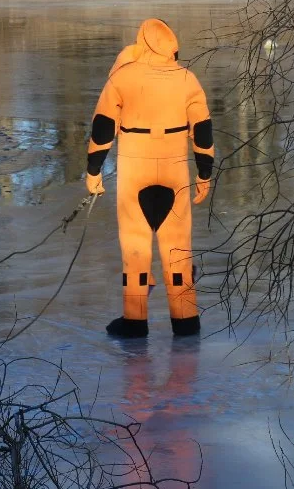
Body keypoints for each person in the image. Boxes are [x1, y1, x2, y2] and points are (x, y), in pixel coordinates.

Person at [85, 19, 214, 338]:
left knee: (135, 247)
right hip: (174, 169)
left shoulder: (122, 76)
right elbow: (202, 129)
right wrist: (204, 174)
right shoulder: (187, 78)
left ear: (142, 43)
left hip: (135, 169)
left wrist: (93, 171)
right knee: (178, 248)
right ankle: (186, 320)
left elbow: (102, 127)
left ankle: (135, 320)